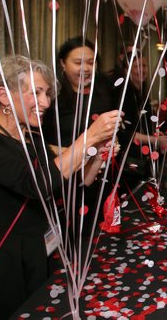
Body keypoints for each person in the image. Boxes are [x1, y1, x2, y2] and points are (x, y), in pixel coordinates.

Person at [0, 55, 120, 319]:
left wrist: (99, 153)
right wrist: (90, 136)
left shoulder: (33, 140)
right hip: (1, 267)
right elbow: (37, 185)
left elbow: (80, 180)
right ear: (4, 95)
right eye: (37, 93)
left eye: (48, 94)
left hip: (38, 254)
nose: (45, 103)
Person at [42, 36, 119, 233]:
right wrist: (73, 153)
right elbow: (38, 144)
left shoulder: (103, 95)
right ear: (63, 64)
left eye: (91, 63)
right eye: (78, 63)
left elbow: (111, 133)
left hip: (98, 180)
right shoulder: (50, 101)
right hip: (65, 183)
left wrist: (112, 144)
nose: (86, 68)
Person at [112, 51, 167, 186]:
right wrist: (155, 140)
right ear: (127, 70)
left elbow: (143, 123)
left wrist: (156, 134)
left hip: (143, 156)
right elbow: (126, 133)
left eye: (144, 66)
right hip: (129, 160)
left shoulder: (141, 92)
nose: (141, 70)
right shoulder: (124, 94)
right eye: (136, 66)